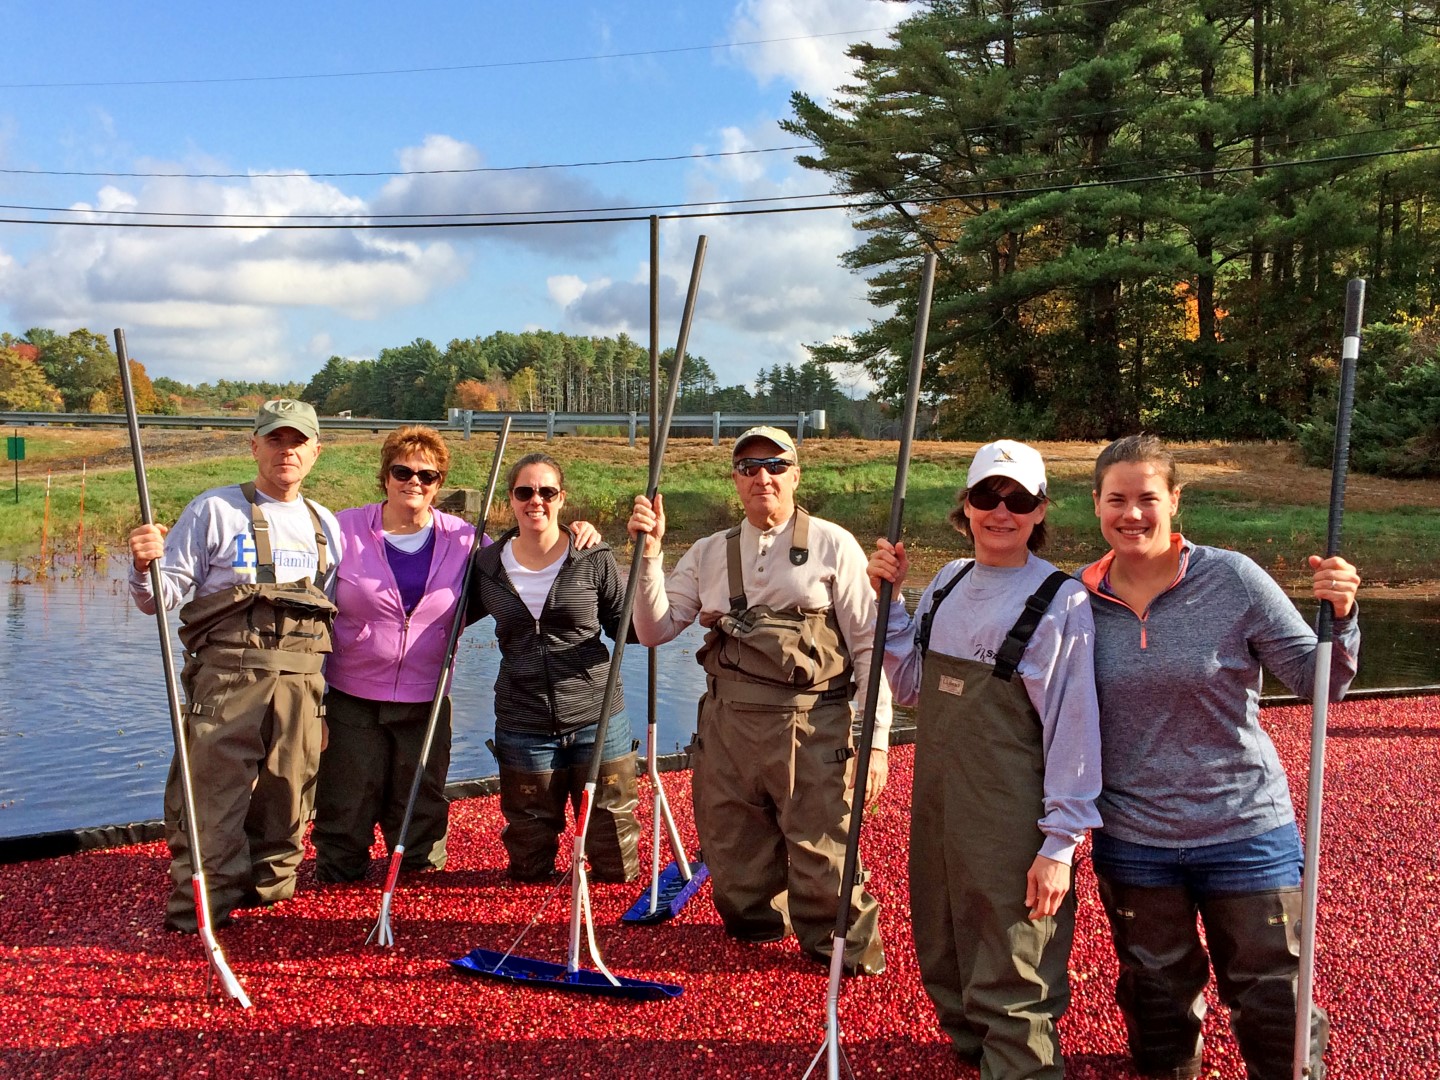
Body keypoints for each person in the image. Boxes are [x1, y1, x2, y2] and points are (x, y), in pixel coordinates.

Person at [1083, 435, 1360, 1080]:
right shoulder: (1077, 600)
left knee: (1273, 997)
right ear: (1095, 504)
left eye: (1148, 498)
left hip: (1244, 828)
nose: (1132, 514)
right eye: (1117, 499)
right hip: (1135, 836)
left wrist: (1342, 615)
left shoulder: (1232, 578)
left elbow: (1320, 682)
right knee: (1156, 996)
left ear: (1174, 500)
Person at [867, 439, 1103, 1078]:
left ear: (1040, 510)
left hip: (1011, 815)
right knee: (942, 935)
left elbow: (1074, 729)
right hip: (939, 806)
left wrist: (1060, 845)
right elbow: (911, 688)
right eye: (987, 496)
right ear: (966, 506)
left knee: (1014, 952)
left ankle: (1023, 1067)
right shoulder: (946, 582)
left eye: (1019, 500)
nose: (1002, 511)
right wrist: (890, 602)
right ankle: (974, 1054)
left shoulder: (1062, 601)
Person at [626, 426, 890, 975]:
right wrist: (648, 559)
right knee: (734, 850)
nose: (762, 476)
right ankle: (759, 933)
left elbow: (870, 646)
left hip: (813, 724)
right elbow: (653, 630)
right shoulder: (707, 552)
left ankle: (843, 954)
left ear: (796, 475)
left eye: (775, 464)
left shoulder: (835, 544)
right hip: (726, 725)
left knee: (823, 847)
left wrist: (876, 741)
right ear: (735, 480)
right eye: (749, 467)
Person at [312, 428, 603, 884]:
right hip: (352, 696)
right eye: (402, 471)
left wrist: (574, 532)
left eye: (427, 475)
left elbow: (526, 556)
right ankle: (337, 883)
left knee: (420, 807)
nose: (414, 481)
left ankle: (419, 886)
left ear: (439, 483)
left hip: (426, 700)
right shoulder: (342, 529)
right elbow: (312, 609)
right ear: (385, 476)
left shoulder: (466, 541)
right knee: (346, 803)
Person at [128, 399, 340, 933]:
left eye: (297, 442)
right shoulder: (213, 510)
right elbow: (159, 598)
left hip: (303, 684)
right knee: (214, 797)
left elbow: (328, 622)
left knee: (289, 795)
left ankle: (268, 902)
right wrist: (143, 565)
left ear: (316, 451)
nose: (286, 451)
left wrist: (326, 705)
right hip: (229, 678)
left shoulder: (326, 524)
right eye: (275, 439)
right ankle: (201, 909)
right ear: (254, 446)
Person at [467, 451, 638, 883]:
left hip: (597, 717)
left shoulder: (593, 556)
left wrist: (650, 560)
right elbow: (444, 616)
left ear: (562, 498)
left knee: (615, 851)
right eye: (525, 492)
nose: (536, 501)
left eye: (547, 492)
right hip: (523, 720)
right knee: (528, 858)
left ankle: (612, 920)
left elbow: (629, 629)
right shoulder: (486, 566)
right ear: (510, 499)